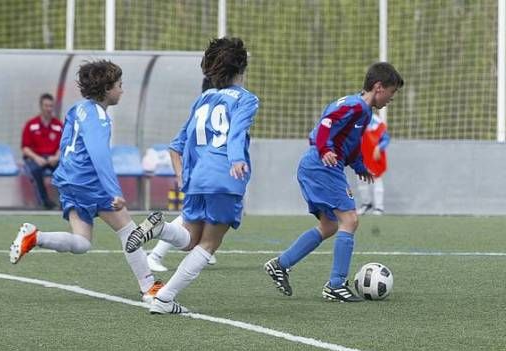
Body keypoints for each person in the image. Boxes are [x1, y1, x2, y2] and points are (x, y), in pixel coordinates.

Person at [9, 60, 191, 304]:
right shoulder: (99, 117)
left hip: (68, 180)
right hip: (87, 181)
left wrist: (66, 175)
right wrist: (113, 191)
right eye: (119, 85)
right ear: (107, 89)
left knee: (82, 242)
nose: (122, 90)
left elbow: (65, 145)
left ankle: (35, 237)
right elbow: (100, 155)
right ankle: (149, 287)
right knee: (128, 230)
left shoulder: (77, 109)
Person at [125, 37, 259, 314]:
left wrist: (182, 176)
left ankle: (161, 229)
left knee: (191, 240)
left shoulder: (203, 98)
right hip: (224, 178)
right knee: (209, 244)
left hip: (197, 178)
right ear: (242, 68)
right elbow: (235, 134)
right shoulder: (247, 99)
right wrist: (235, 159)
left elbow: (177, 145)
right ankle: (164, 299)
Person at [264, 62, 403, 302]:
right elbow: (326, 123)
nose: (391, 98)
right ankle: (336, 284)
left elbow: (350, 143)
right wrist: (325, 148)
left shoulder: (361, 109)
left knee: (330, 225)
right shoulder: (357, 106)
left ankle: (280, 264)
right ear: (379, 87)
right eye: (391, 92)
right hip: (322, 166)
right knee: (350, 219)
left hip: (317, 165)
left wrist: (360, 166)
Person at [146, 76, 218, 273]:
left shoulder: (199, 109)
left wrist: (180, 175)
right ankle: (155, 255)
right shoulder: (220, 108)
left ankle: (203, 248)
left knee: (203, 215)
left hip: (197, 172)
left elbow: (175, 146)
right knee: (192, 216)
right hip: (208, 173)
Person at [21, 93, 62, 209]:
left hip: (53, 158)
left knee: (64, 171)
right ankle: (44, 202)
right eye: (46, 106)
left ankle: (63, 202)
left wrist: (56, 157)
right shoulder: (31, 125)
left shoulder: (58, 125)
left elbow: (64, 146)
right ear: (41, 106)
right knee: (35, 170)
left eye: (51, 106)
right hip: (35, 158)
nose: (49, 109)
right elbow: (25, 148)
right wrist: (37, 158)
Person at [357, 110, 390, 216]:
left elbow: (385, 138)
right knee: (361, 180)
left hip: (373, 156)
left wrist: (379, 147)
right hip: (362, 155)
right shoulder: (356, 119)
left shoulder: (376, 121)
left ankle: (379, 207)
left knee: (376, 180)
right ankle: (366, 203)